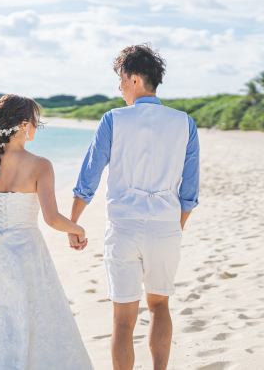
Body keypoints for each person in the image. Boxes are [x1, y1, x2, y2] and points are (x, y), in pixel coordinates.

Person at [68, 44, 200, 370]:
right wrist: (175, 226)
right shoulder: (185, 122)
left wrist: (73, 224)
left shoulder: (113, 119)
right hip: (165, 227)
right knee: (160, 307)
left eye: (122, 79)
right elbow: (190, 191)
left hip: (124, 227)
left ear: (136, 79)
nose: (120, 87)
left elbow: (89, 177)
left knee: (123, 319)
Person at [0, 94, 94, 370]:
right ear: (24, 124)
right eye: (36, 122)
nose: (37, 127)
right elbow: (52, 218)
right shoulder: (40, 165)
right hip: (25, 253)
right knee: (32, 319)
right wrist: (78, 228)